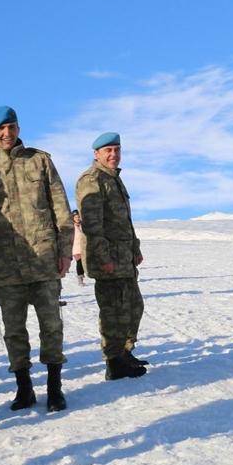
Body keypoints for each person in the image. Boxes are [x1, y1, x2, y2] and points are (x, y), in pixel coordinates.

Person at [0, 105, 74, 412]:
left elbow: (61, 209)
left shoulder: (40, 161)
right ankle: (24, 388)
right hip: (5, 265)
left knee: (51, 326)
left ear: (18, 129)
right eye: (1, 129)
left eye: (11, 127)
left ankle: (54, 388)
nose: (6, 133)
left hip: (43, 260)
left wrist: (65, 251)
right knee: (14, 331)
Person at [75, 132, 147, 381]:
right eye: (108, 150)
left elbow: (125, 221)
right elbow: (92, 226)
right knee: (113, 310)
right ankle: (113, 362)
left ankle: (126, 352)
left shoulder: (115, 179)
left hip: (124, 257)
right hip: (108, 259)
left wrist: (135, 248)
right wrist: (103, 257)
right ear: (97, 154)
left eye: (117, 150)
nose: (113, 154)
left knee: (133, 306)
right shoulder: (91, 180)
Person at [71, 210, 86, 287]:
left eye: (78, 217)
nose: (77, 218)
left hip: (83, 247)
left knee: (83, 263)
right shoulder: (72, 227)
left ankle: (82, 275)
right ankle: (80, 278)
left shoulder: (82, 226)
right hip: (75, 248)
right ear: (73, 218)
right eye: (75, 217)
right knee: (79, 262)